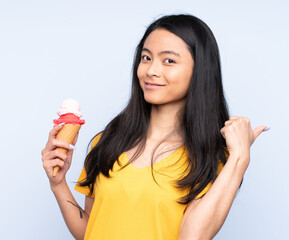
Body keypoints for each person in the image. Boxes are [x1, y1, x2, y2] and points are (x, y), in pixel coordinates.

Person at [41, 14, 268, 240]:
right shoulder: (108, 141)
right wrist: (58, 184)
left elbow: (193, 236)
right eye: (146, 58)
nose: (151, 71)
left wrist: (239, 158)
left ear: (199, 71)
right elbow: (90, 230)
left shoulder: (209, 156)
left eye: (168, 60)